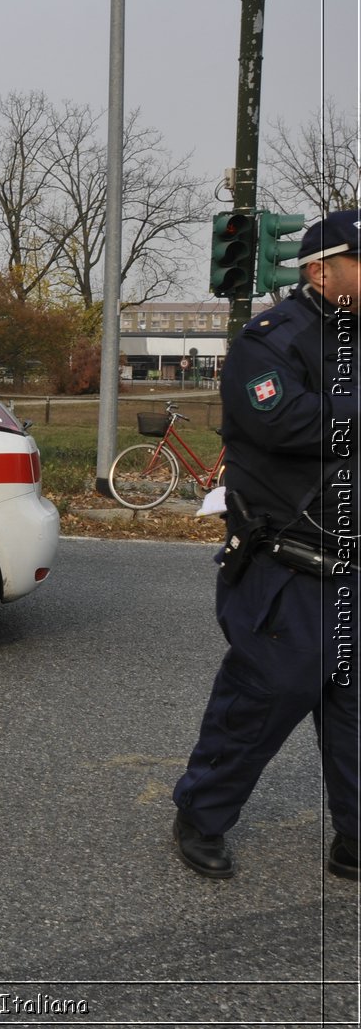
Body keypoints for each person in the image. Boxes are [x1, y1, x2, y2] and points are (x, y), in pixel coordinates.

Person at [172, 209, 361, 882]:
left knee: (355, 714)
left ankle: (355, 840)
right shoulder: (271, 339)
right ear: (322, 268)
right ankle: (201, 813)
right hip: (294, 566)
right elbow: (282, 418)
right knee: (261, 701)